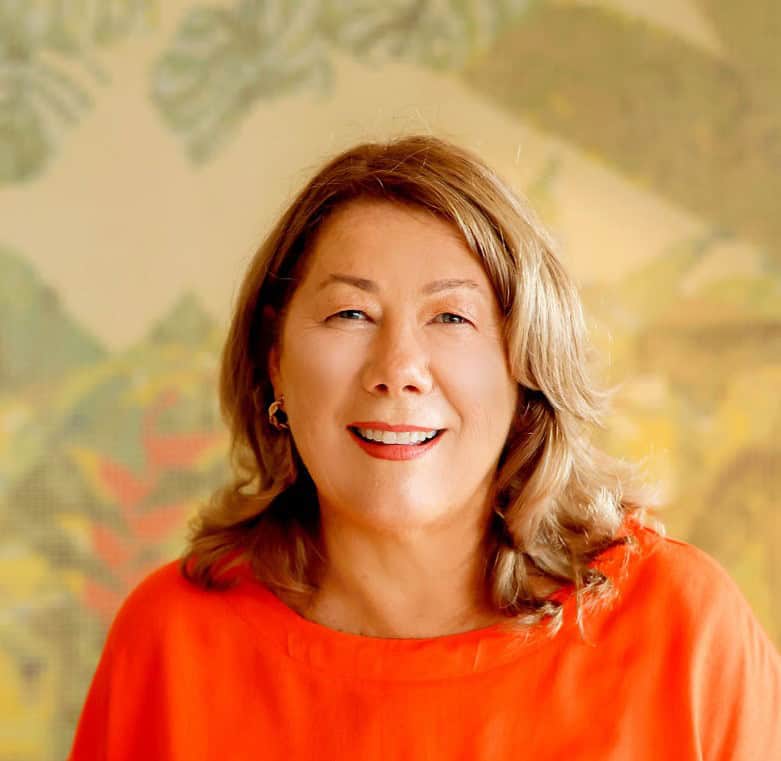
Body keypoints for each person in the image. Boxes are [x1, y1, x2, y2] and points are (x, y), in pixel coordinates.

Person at [68, 135, 780, 760]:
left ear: (524, 365)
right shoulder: (168, 644)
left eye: (450, 317)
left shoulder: (681, 629)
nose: (397, 369)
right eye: (351, 312)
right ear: (275, 361)